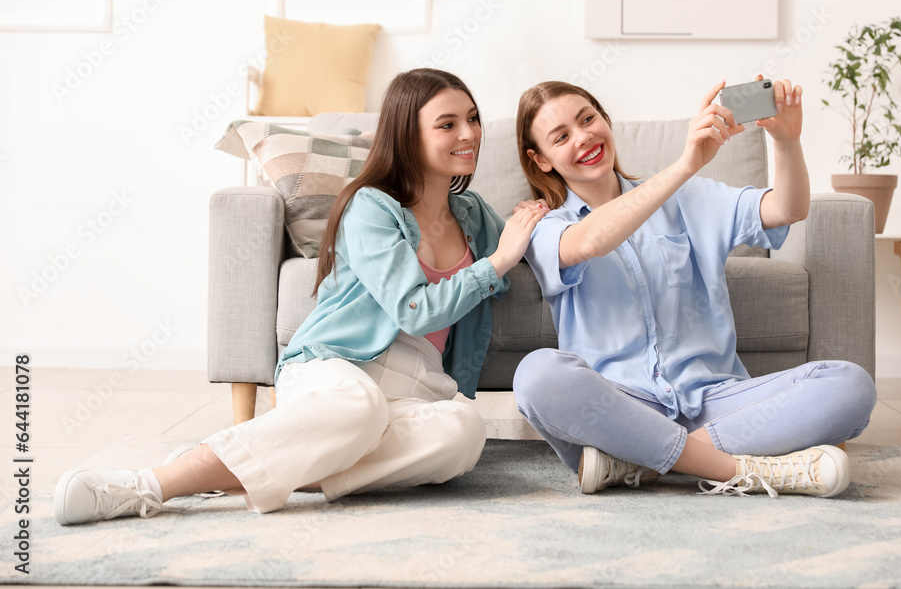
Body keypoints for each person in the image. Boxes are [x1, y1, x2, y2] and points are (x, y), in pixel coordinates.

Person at [54, 68, 550, 525]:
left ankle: (246, 465)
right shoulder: (370, 206)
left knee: (463, 432)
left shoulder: (472, 213)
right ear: (408, 135)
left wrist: (559, 211)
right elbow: (415, 310)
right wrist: (497, 263)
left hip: (418, 382)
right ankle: (149, 486)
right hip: (338, 366)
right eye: (448, 124)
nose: (469, 134)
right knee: (359, 409)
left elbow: (544, 252)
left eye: (473, 119)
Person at [512, 76, 877, 498]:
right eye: (561, 137)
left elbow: (786, 208)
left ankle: (636, 462)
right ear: (540, 160)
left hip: (716, 404)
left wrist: (787, 140)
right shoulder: (542, 226)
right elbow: (590, 241)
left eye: (588, 119)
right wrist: (685, 164)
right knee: (537, 375)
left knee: (851, 385)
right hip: (620, 410)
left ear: (606, 120)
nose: (584, 137)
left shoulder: (689, 198)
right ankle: (739, 467)